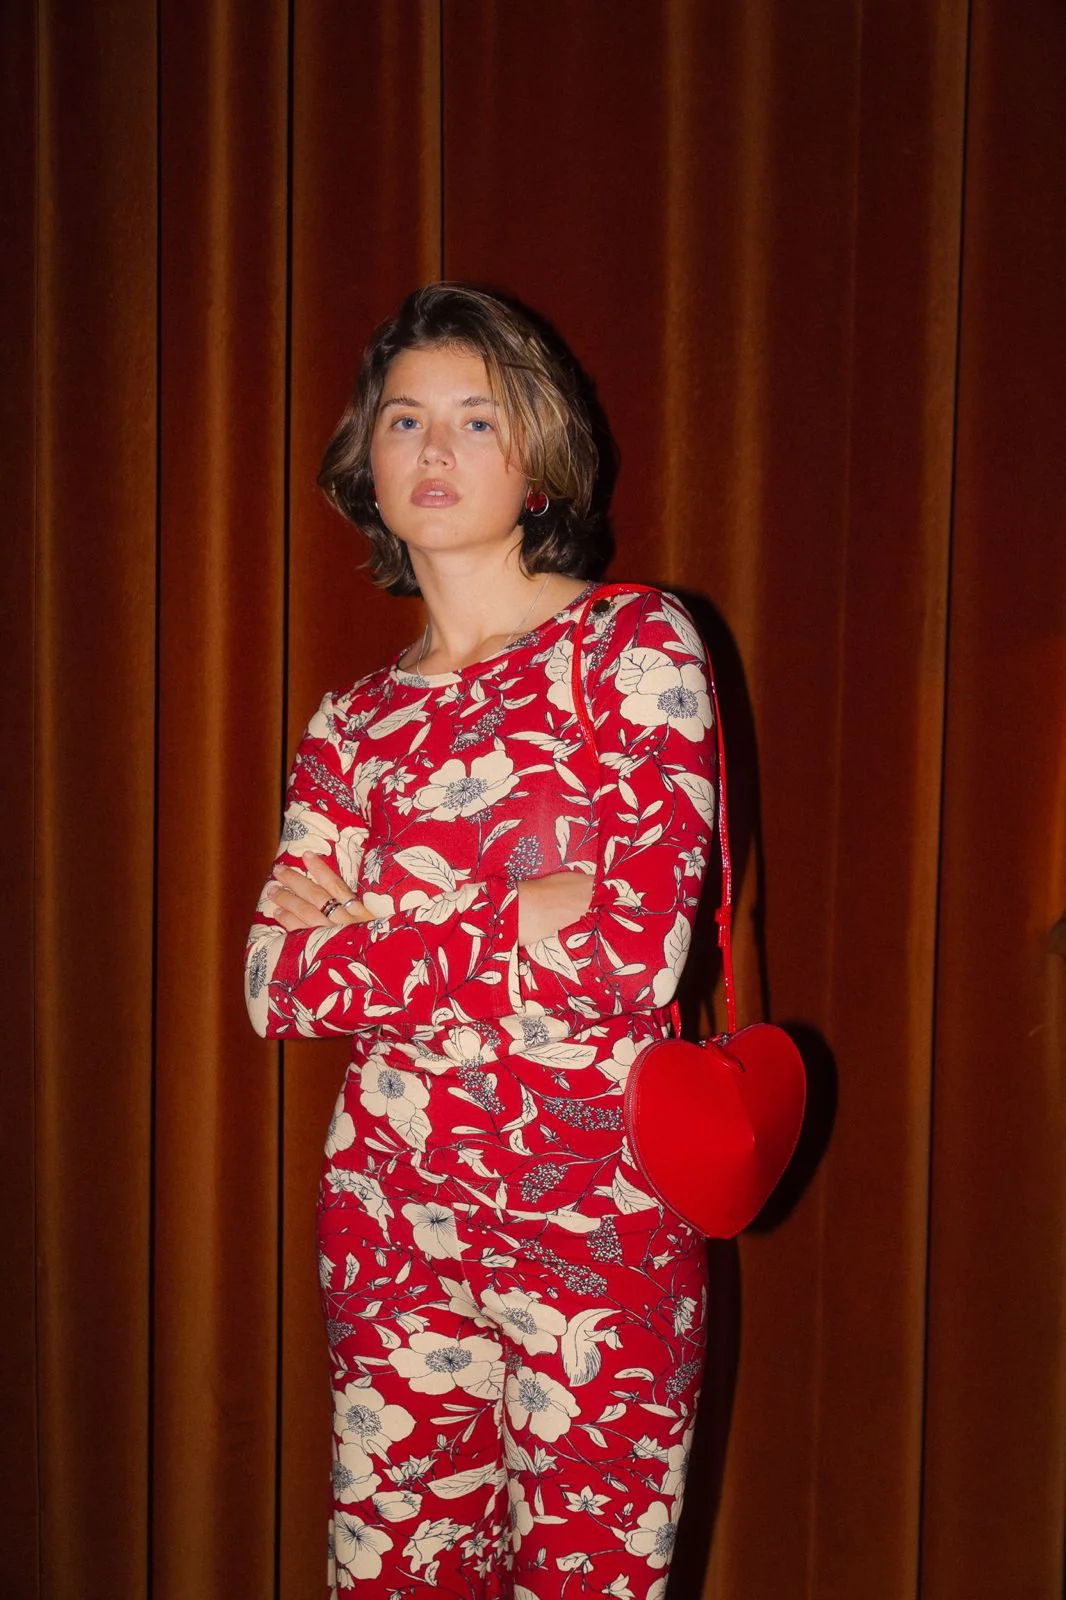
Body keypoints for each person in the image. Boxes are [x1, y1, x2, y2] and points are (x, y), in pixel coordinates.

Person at [244, 283, 717, 1599]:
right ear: (368, 459)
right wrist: (516, 917)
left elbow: (628, 955)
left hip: (597, 1224)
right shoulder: (350, 724)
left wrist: (376, 929)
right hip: (387, 1218)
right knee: (390, 1578)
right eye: (404, 420)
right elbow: (276, 982)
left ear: (537, 458)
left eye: (476, 417)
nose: (434, 448)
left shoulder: (630, 647)